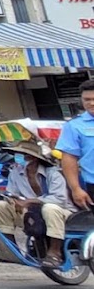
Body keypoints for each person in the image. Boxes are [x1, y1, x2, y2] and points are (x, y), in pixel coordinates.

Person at [0, 144, 73, 266]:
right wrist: (13, 200)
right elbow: (12, 193)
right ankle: (9, 249)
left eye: (22, 155)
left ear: (33, 158)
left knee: (49, 208)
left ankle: (55, 253)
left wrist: (30, 201)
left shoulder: (53, 173)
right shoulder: (16, 172)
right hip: (31, 213)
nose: (17, 158)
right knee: (0, 205)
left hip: (62, 212)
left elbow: (59, 199)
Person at [57, 79, 94, 208]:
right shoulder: (74, 126)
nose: (91, 103)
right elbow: (69, 158)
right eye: (87, 99)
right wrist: (76, 188)